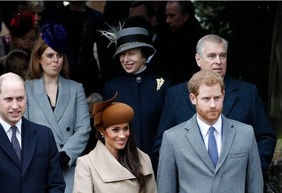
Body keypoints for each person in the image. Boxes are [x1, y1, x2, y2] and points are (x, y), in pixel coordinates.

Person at [24, 22, 91, 193]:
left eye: (59, 55)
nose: (55, 60)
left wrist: (67, 154)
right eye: (50, 55)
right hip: (38, 170)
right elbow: (25, 128)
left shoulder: (75, 88)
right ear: (39, 58)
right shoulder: (27, 89)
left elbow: (84, 128)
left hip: (70, 170)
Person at [154, 34, 277, 175]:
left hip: (238, 186)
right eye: (212, 56)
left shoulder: (248, 93)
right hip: (192, 190)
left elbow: (266, 137)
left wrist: (251, 171)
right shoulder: (176, 95)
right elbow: (162, 145)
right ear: (198, 60)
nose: (218, 61)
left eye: (223, 56)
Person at [101, 24, 170, 171]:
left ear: (144, 55)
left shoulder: (164, 85)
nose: (126, 59)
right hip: (123, 164)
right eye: (122, 54)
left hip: (158, 164)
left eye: (131, 53)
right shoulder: (112, 88)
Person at [152, 1, 205, 84]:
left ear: (186, 15)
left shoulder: (195, 41)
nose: (168, 20)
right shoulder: (167, 36)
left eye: (172, 16)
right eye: (167, 16)